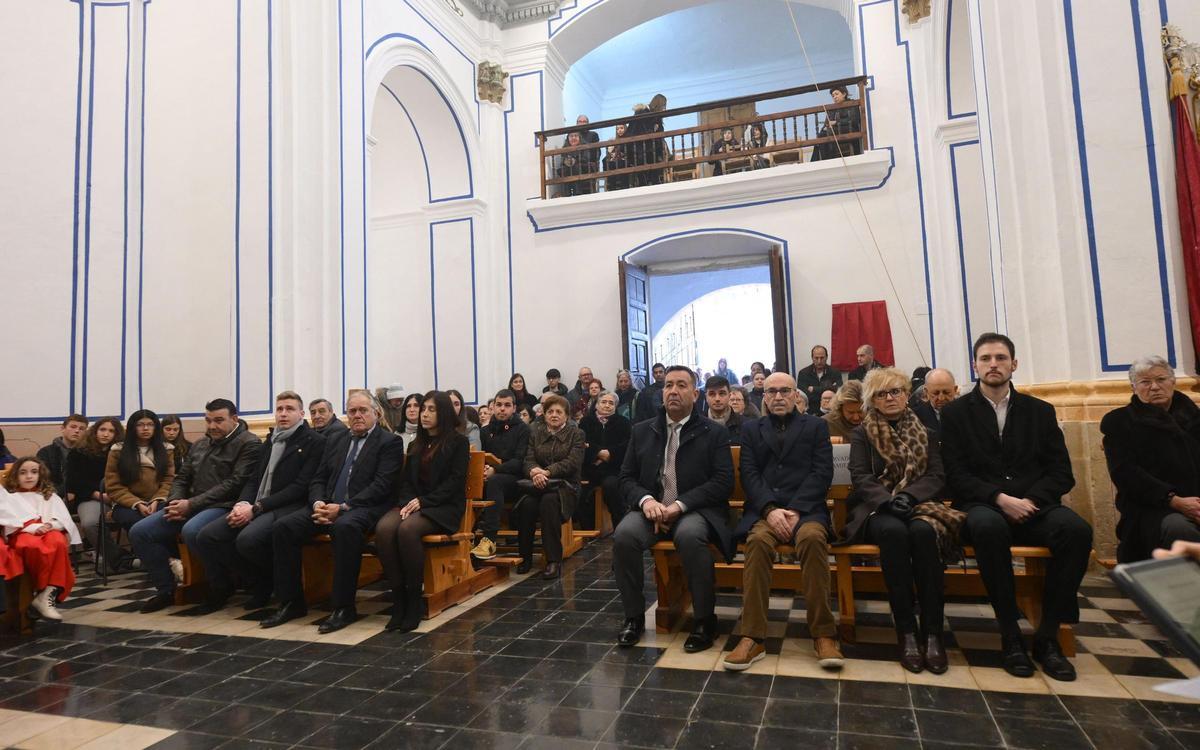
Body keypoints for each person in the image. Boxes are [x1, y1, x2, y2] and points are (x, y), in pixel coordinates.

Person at [940, 333, 1090, 682]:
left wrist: (1031, 501)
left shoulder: (1040, 411)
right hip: (983, 504)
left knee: (1077, 531)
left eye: (1001, 358)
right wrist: (999, 498)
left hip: (1034, 505)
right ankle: (1009, 634)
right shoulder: (956, 413)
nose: (993, 364)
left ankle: (1048, 636)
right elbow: (955, 473)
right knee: (988, 529)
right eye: (986, 358)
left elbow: (1060, 472)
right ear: (975, 365)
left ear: (1014, 364)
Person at [838, 368, 958, 674]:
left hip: (920, 505)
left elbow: (936, 475)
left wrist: (911, 497)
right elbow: (861, 476)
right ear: (872, 400)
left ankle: (932, 633)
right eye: (882, 393)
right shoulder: (862, 433)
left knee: (923, 533)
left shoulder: (926, 432)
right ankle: (905, 631)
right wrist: (889, 500)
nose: (890, 398)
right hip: (878, 510)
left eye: (895, 392)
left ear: (907, 395)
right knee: (893, 533)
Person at [262, 390, 404, 633]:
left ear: (376, 413)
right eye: (352, 411)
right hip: (327, 505)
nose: (357, 415)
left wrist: (343, 507)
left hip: (363, 508)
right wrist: (318, 503)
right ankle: (292, 602)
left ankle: (343, 607)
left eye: (363, 411)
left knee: (344, 527)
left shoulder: (388, 442)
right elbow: (318, 478)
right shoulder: (336, 439)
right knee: (284, 527)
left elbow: (382, 485)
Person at [725, 373, 840, 671]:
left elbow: (821, 472)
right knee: (758, 542)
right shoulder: (752, 429)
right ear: (764, 396)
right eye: (772, 391)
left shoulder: (816, 427)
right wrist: (770, 510)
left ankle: (823, 634)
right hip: (766, 511)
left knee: (814, 540)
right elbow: (749, 474)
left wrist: (798, 509)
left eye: (784, 391)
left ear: (796, 396)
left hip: (807, 511)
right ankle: (752, 636)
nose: (778, 396)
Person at [613, 366, 733, 651]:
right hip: (651, 509)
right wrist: (648, 502)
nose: (673, 391)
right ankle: (633, 617)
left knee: (690, 537)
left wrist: (679, 505)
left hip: (694, 509)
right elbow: (626, 477)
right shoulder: (642, 430)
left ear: (695, 393)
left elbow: (722, 481)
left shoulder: (713, 432)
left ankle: (704, 619)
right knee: (624, 536)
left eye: (681, 385)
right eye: (668, 385)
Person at [189, 391, 326, 614]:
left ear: (301, 414)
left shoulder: (314, 441)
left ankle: (266, 584)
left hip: (287, 505)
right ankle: (258, 580)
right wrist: (242, 503)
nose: (283, 414)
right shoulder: (271, 439)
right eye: (279, 409)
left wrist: (257, 508)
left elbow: (300, 487)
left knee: (248, 540)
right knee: (208, 536)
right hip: (256, 504)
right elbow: (254, 479)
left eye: (289, 409)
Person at [131, 399, 262, 613]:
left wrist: (191, 504)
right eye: (208, 420)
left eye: (219, 421)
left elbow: (234, 483)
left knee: (193, 531)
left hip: (224, 505)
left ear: (234, 419)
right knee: (141, 531)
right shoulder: (201, 443)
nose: (212, 426)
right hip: (190, 504)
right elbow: (182, 476)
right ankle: (166, 590)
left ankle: (220, 586)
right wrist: (175, 501)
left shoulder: (249, 442)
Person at [376, 391, 469, 632]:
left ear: (444, 413)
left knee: (407, 530)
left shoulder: (458, 442)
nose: (424, 414)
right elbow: (406, 481)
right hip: (415, 503)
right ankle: (399, 601)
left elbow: (455, 482)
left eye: (431, 409)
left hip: (444, 507)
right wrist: (410, 502)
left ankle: (414, 601)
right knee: (385, 529)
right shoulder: (417, 442)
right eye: (423, 409)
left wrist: (424, 502)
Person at [1102, 356, 1200, 563]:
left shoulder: (1195, 418)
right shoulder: (1119, 422)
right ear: (1133, 387)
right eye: (1145, 382)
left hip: (1196, 502)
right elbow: (1126, 473)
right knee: (1179, 528)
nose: (1154, 387)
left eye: (1161, 379)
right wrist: (1173, 500)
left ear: (1173, 381)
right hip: (1151, 510)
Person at [1, 458, 81, 620]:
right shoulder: (10, 498)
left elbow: (64, 519)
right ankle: (43, 590)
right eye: (23, 473)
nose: (29, 476)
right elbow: (7, 520)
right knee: (30, 545)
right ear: (15, 476)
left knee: (57, 542)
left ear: (41, 474)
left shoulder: (49, 496)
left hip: (49, 529)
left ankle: (47, 593)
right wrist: (32, 528)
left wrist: (51, 525)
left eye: (34, 472)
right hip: (22, 532)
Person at [515, 394, 584, 578]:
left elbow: (572, 463)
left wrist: (547, 472)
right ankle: (525, 557)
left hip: (566, 486)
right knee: (527, 504)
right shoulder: (536, 433)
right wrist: (535, 472)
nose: (554, 415)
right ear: (544, 414)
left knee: (549, 501)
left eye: (559, 412)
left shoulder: (576, 434)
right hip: (538, 484)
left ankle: (553, 560)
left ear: (566, 416)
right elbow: (528, 459)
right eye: (550, 411)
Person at [472, 389, 531, 560]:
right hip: (488, 477)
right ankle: (466, 536)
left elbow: (520, 461)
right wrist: (482, 471)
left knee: (495, 481)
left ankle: (490, 540)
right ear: (492, 408)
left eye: (507, 405)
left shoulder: (523, 430)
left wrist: (496, 469)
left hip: (515, 480)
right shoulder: (485, 431)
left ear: (514, 408)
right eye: (498, 405)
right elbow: (480, 457)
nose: (502, 409)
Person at [105, 410, 175, 554]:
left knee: (167, 518)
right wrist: (137, 503)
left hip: (159, 500)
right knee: (138, 523)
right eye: (140, 425)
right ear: (132, 427)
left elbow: (169, 480)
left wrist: (157, 500)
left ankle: (163, 559)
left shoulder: (166, 449)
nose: (145, 429)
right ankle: (156, 560)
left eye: (150, 424)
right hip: (126, 504)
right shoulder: (118, 450)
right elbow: (113, 486)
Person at [64, 417, 123, 569]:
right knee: (90, 523)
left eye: (111, 431)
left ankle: (150, 558)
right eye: (102, 429)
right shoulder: (78, 453)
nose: (106, 434)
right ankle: (120, 559)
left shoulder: (122, 452)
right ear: (95, 431)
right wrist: (98, 495)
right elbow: (74, 482)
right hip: (92, 498)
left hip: (122, 497)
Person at [578, 391, 632, 530]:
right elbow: (582, 445)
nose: (607, 405)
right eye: (603, 402)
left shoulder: (624, 423)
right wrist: (599, 452)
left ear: (615, 406)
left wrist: (609, 453)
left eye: (611, 403)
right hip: (589, 468)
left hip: (613, 469)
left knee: (611, 486)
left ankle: (620, 528)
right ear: (596, 404)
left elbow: (627, 447)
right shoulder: (585, 422)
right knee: (579, 490)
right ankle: (587, 532)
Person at [37, 414, 87, 497]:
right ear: (63, 429)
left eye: (82, 429)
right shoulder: (46, 452)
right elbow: (43, 480)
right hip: (53, 495)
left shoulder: (88, 453)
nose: (77, 431)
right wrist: (62, 493)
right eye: (73, 427)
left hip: (81, 496)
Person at [810, 84, 863, 161]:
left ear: (844, 94)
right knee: (821, 135)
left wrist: (836, 122)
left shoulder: (852, 103)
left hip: (849, 130)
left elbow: (854, 119)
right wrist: (826, 126)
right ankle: (820, 160)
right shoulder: (832, 109)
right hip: (834, 131)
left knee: (827, 133)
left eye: (836, 94)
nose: (834, 97)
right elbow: (827, 123)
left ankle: (828, 159)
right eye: (833, 95)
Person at [797, 345, 844, 415]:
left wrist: (815, 389)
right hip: (811, 411)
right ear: (812, 358)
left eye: (822, 358)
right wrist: (827, 392)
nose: (819, 361)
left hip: (831, 411)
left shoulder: (835, 372)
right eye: (816, 358)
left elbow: (838, 391)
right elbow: (804, 396)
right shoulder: (803, 373)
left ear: (826, 357)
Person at [912, 368, 957, 433]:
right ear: (926, 392)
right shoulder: (915, 417)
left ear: (955, 390)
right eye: (935, 393)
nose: (941, 398)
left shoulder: (967, 412)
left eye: (946, 392)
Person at [703, 376, 745, 445]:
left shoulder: (745, 425)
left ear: (729, 395)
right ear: (706, 397)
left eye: (722, 393)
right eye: (712, 394)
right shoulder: (697, 426)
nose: (717, 399)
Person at [557, 131, 597, 196]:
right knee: (564, 170)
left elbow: (585, 159)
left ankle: (578, 192)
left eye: (576, 136)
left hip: (583, 167)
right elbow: (563, 162)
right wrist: (567, 162)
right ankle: (566, 193)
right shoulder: (564, 149)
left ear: (579, 138)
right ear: (568, 138)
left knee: (576, 167)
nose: (573, 138)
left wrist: (574, 160)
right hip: (569, 169)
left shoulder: (584, 146)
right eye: (571, 136)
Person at [603, 122, 631, 192]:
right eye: (617, 129)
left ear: (625, 128)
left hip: (627, 159)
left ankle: (624, 186)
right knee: (606, 161)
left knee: (620, 163)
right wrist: (611, 152)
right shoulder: (615, 140)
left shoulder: (629, 138)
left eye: (621, 128)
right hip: (617, 159)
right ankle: (611, 186)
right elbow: (612, 152)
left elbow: (629, 151)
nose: (619, 130)